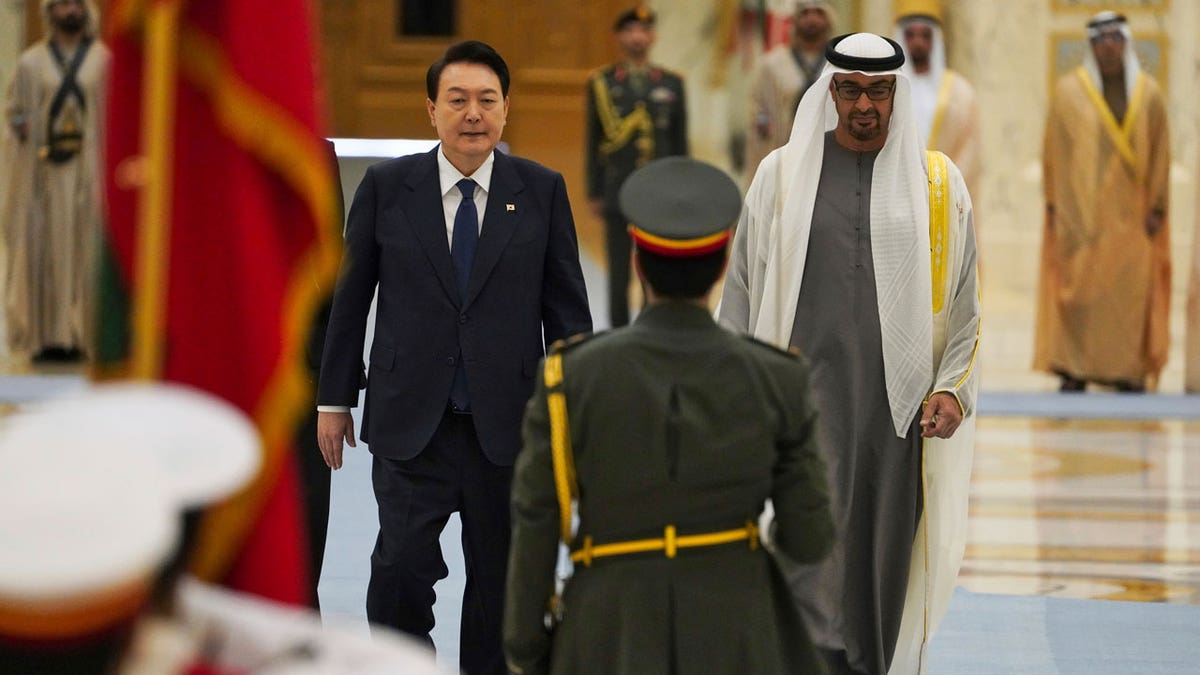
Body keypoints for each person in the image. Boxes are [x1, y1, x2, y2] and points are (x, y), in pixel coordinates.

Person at [315, 40, 592, 675]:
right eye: (458, 100)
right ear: (431, 111)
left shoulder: (542, 191)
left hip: (507, 425)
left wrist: (573, 411)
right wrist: (334, 399)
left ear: (506, 110)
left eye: (487, 101)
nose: (473, 114)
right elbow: (349, 301)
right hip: (411, 423)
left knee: (501, 586)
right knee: (400, 572)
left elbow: (568, 314)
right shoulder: (389, 188)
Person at [504, 156, 834, 675]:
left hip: (608, 632)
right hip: (738, 631)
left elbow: (536, 526)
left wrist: (526, 649)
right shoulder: (779, 379)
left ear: (636, 261)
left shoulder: (569, 377)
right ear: (724, 263)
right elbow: (809, 537)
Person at [718, 33, 980, 675]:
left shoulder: (939, 184)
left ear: (897, 94)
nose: (864, 104)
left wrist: (951, 388)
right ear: (829, 90)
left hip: (897, 416)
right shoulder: (781, 175)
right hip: (801, 404)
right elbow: (743, 291)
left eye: (879, 90)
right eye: (851, 89)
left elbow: (967, 303)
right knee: (804, 543)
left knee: (881, 554)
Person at [1035, 11, 1170, 393]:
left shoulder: (1149, 95)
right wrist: (1054, 205)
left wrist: (1158, 206)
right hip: (1081, 219)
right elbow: (1053, 154)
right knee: (1079, 296)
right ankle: (1073, 368)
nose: (1108, 47)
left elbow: (1161, 152)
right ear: (1091, 46)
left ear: (1125, 43)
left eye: (1115, 39)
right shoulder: (1068, 93)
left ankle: (1127, 371)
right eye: (1101, 40)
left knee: (1128, 299)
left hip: (1133, 222)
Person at [0, 0, 110, 363]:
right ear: (50, 13)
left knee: (87, 253)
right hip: (47, 177)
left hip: (92, 175)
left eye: (75, 4)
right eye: (61, 5)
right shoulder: (31, 63)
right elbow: (13, 114)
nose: (69, 11)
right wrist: (21, 128)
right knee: (47, 254)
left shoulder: (105, 61)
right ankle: (49, 337)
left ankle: (86, 334)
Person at [585, 6, 688, 328]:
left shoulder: (671, 83)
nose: (637, 37)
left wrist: (681, 188)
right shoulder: (603, 83)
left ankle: (650, 329)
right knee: (618, 270)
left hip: (659, 191)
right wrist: (594, 189)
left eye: (643, 31)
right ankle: (618, 334)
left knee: (654, 267)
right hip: (618, 189)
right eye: (630, 31)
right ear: (618, 37)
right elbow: (593, 138)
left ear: (653, 37)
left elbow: (679, 142)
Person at [894, 0, 980, 204]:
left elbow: (970, 151)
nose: (918, 42)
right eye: (911, 35)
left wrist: (942, 186)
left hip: (944, 198)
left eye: (925, 35)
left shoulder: (961, 92)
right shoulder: (886, 89)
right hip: (896, 196)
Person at [743, 0, 835, 180]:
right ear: (795, 20)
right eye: (805, 13)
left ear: (829, 20)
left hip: (828, 158)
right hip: (785, 156)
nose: (812, 19)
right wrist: (764, 124)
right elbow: (758, 107)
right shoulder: (772, 64)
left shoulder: (838, 64)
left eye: (818, 13)